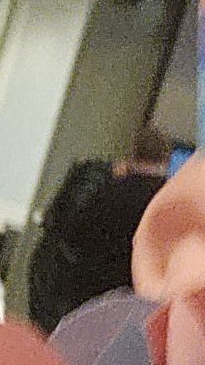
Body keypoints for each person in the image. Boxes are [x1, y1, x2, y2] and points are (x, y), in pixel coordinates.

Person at [25, 124, 174, 331]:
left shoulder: (105, 191)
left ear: (133, 153)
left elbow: (77, 236)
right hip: (120, 311)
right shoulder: (166, 204)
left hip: (77, 298)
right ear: (166, 159)